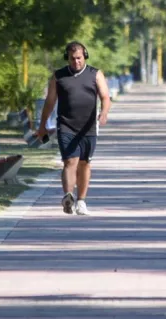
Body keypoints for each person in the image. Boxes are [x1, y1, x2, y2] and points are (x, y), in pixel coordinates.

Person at [36, 41, 111, 215]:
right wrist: (42, 126)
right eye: (72, 59)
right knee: (70, 161)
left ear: (84, 56)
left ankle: (81, 201)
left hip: (88, 127)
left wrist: (104, 113)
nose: (76, 62)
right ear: (67, 58)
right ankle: (68, 196)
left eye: (79, 58)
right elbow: (49, 102)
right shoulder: (58, 76)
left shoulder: (95, 74)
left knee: (84, 163)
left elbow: (105, 96)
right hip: (66, 125)